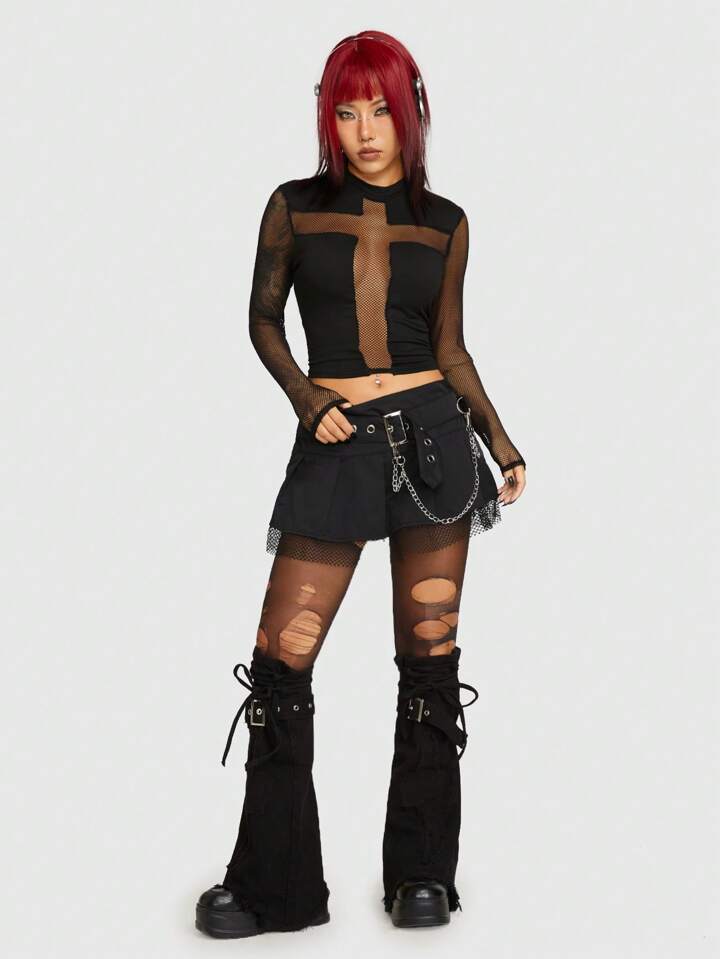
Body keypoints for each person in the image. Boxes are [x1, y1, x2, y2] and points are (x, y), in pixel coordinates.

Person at [195, 29, 527, 938]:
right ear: (327, 119)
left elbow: (450, 347)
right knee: (281, 659)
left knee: (430, 660)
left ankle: (422, 876)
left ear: (411, 112)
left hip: (435, 445)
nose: (365, 129)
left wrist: (500, 441)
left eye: (380, 108)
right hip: (336, 442)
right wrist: (308, 400)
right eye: (346, 111)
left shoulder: (447, 223)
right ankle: (275, 886)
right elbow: (263, 321)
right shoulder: (294, 208)